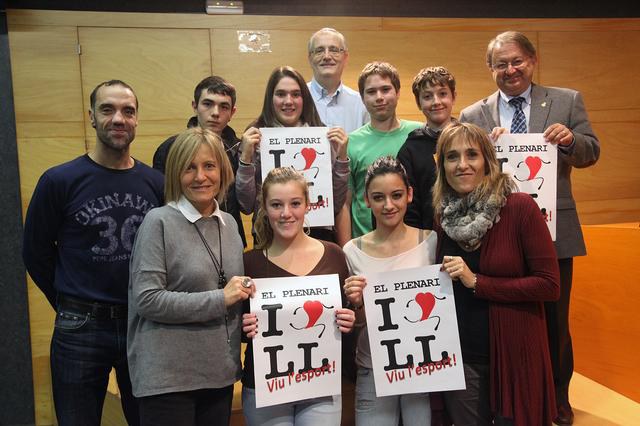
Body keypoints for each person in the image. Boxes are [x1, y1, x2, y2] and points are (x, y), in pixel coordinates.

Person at [459, 31, 600, 425]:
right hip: (495, 232)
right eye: (500, 64)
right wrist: (485, 151)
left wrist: (570, 140)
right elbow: (464, 169)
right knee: (501, 320)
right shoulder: (473, 115)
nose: (510, 70)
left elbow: (592, 151)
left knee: (554, 322)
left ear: (533, 61)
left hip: (554, 231)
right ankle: (508, 397)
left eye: (517, 61)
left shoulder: (566, 100)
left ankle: (557, 398)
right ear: (490, 69)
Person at [22, 80, 163, 425]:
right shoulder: (59, 181)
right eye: (107, 109)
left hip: (141, 323)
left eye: (127, 111)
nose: (118, 119)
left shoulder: (156, 183)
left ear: (137, 119)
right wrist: (68, 301)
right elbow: (35, 252)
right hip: (80, 326)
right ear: (91, 117)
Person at [434, 122, 560, 425]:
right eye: (452, 157)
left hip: (514, 355)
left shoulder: (520, 208)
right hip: (462, 359)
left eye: (471, 154)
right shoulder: (443, 217)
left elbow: (549, 285)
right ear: (442, 167)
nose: (462, 165)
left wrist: (478, 282)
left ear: (488, 161)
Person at [128, 128, 251, 426]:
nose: (200, 177)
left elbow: (233, 294)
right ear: (175, 174)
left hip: (219, 375)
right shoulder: (157, 222)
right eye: (189, 168)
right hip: (168, 381)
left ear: (222, 171)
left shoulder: (230, 224)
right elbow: (147, 299)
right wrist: (220, 299)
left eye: (209, 166)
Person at [240, 167, 356, 425]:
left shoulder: (335, 255)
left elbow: (346, 319)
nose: (286, 213)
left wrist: (349, 319)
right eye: (276, 205)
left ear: (307, 205)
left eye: (295, 203)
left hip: (320, 387)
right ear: (264, 208)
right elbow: (236, 329)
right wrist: (244, 327)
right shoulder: (250, 263)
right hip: (266, 389)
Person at [341, 156, 436, 426]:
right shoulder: (352, 251)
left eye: (396, 195)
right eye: (378, 197)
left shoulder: (431, 242)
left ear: (409, 195)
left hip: (422, 366)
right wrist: (356, 303)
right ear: (366, 200)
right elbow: (358, 323)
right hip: (374, 366)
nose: (389, 205)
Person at [236, 65, 350, 243]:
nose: (288, 101)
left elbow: (335, 204)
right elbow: (246, 205)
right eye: (281, 94)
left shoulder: (323, 137)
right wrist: (245, 159)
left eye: (296, 94)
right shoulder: (255, 138)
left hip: (318, 234)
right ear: (270, 98)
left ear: (304, 99)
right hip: (269, 236)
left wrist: (342, 159)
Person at [153, 76, 247, 247]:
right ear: (195, 106)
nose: (215, 112)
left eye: (224, 106)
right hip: (183, 242)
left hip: (227, 239)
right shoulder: (171, 148)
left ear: (232, 113)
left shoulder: (239, 150)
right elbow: (164, 199)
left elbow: (245, 204)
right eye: (208, 104)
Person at [346, 62, 422, 241]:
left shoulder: (419, 134)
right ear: (362, 98)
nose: (379, 97)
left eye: (385, 89)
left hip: (414, 243)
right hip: (366, 243)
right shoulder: (351, 143)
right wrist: (346, 249)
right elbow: (345, 204)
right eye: (371, 92)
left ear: (398, 92)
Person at [307, 27, 369, 247]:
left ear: (345, 57)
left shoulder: (361, 103)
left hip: (351, 212)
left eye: (334, 50)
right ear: (310, 58)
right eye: (319, 50)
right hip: (305, 214)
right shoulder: (295, 100)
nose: (327, 56)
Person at [397, 66, 457, 231]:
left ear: (453, 97)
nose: (436, 102)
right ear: (418, 103)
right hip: (429, 236)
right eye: (427, 96)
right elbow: (409, 205)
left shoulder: (470, 140)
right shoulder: (410, 149)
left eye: (442, 94)